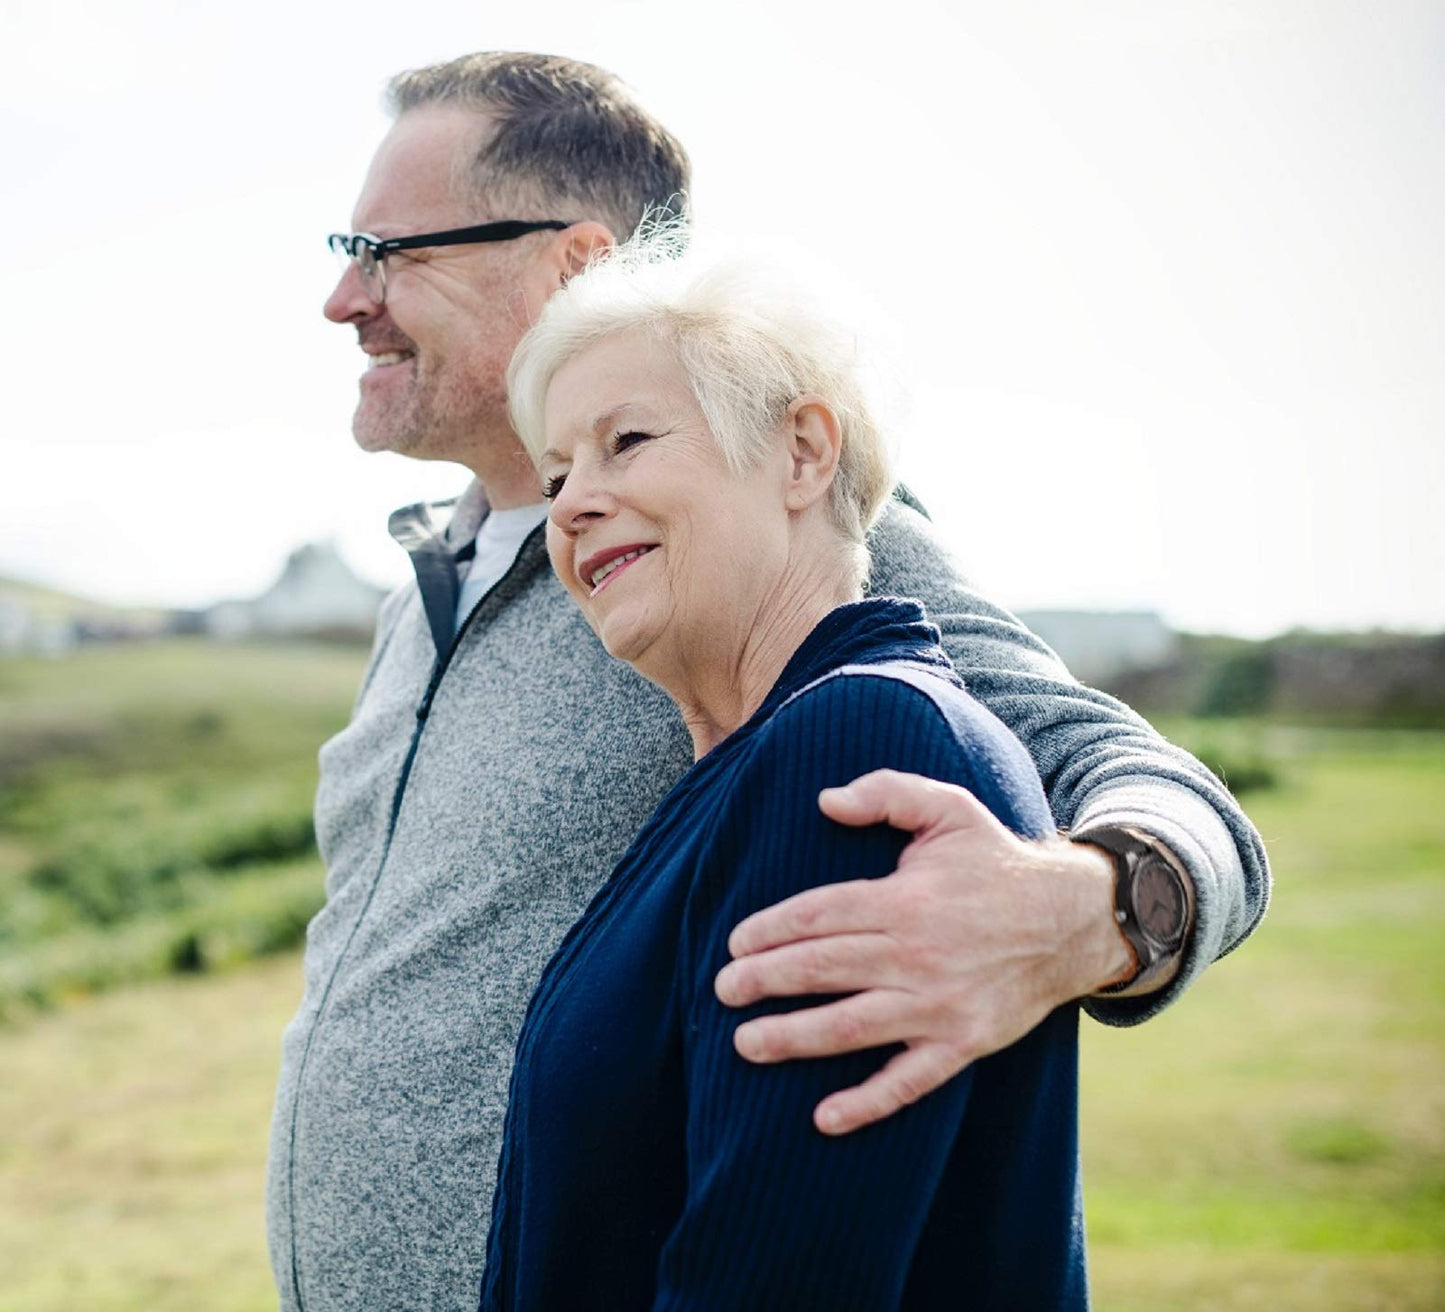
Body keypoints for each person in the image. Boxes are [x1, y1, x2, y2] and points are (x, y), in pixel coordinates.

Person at [269, 51, 1269, 1312]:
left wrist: (1089, 907)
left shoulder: (762, 526)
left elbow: (1148, 783)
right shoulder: (425, 583)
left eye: (385, 249)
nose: (342, 298)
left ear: (576, 263)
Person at [481, 230, 1086, 1310]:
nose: (569, 504)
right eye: (559, 471)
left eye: (625, 441)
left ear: (803, 452)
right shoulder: (745, 773)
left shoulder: (854, 744)